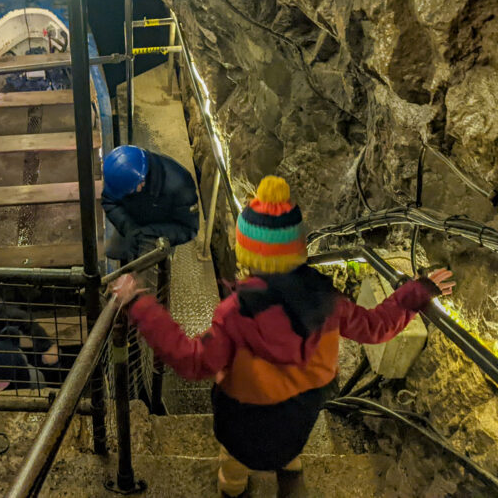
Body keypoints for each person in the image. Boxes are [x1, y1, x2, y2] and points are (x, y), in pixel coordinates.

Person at [111, 175, 455, 497]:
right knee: (289, 453)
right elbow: (377, 326)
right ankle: (290, 479)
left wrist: (139, 303)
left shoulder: (236, 314)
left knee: (232, 469)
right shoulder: (327, 301)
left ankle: (234, 489)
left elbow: (191, 360)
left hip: (240, 425)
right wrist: (419, 291)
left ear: (247, 251)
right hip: (297, 421)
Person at [101, 145, 199, 261]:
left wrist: (148, 233)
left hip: (159, 232)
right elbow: (109, 201)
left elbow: (188, 229)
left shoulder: (180, 186)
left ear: (141, 182)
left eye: (127, 191)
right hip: (132, 224)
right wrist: (129, 228)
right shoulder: (122, 176)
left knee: (145, 269)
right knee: (113, 252)